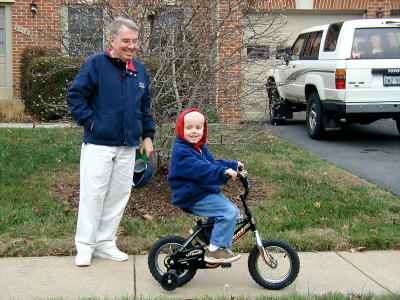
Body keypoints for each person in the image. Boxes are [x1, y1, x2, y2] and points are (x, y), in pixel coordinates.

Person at [67, 16, 155, 267]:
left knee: (118, 196)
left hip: (128, 145)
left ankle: (105, 243)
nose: (131, 46)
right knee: (93, 195)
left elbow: (145, 107)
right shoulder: (96, 64)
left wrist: (147, 135)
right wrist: (91, 122)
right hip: (99, 144)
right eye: (126, 41)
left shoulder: (139, 70)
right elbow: (75, 96)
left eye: (135, 42)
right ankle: (85, 246)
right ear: (112, 40)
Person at [168, 108, 244, 263]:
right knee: (229, 212)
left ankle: (204, 235)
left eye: (198, 128)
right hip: (192, 196)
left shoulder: (199, 147)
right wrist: (223, 173)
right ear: (181, 129)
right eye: (189, 128)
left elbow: (212, 163)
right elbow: (203, 170)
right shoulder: (182, 151)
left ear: (204, 129)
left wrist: (232, 165)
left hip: (202, 192)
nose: (194, 132)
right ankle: (216, 249)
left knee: (230, 210)